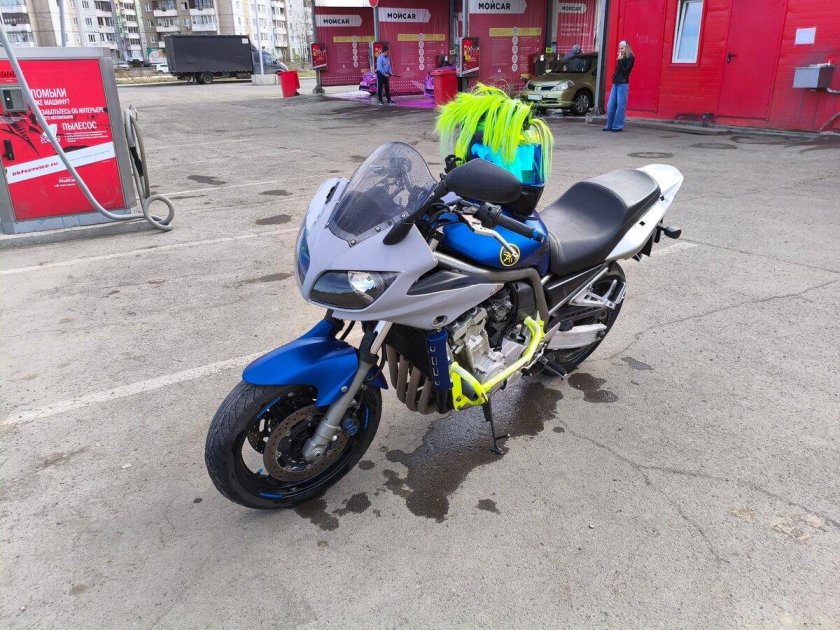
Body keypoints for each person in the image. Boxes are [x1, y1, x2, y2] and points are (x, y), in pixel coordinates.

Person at [604, 40, 635, 132]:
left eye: (622, 48)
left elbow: (625, 71)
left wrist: (620, 60)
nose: (620, 50)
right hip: (616, 83)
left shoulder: (630, 58)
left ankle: (617, 126)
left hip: (623, 83)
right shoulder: (620, 57)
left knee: (620, 105)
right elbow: (618, 71)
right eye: (619, 48)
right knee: (610, 105)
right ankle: (609, 125)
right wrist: (614, 77)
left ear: (626, 48)